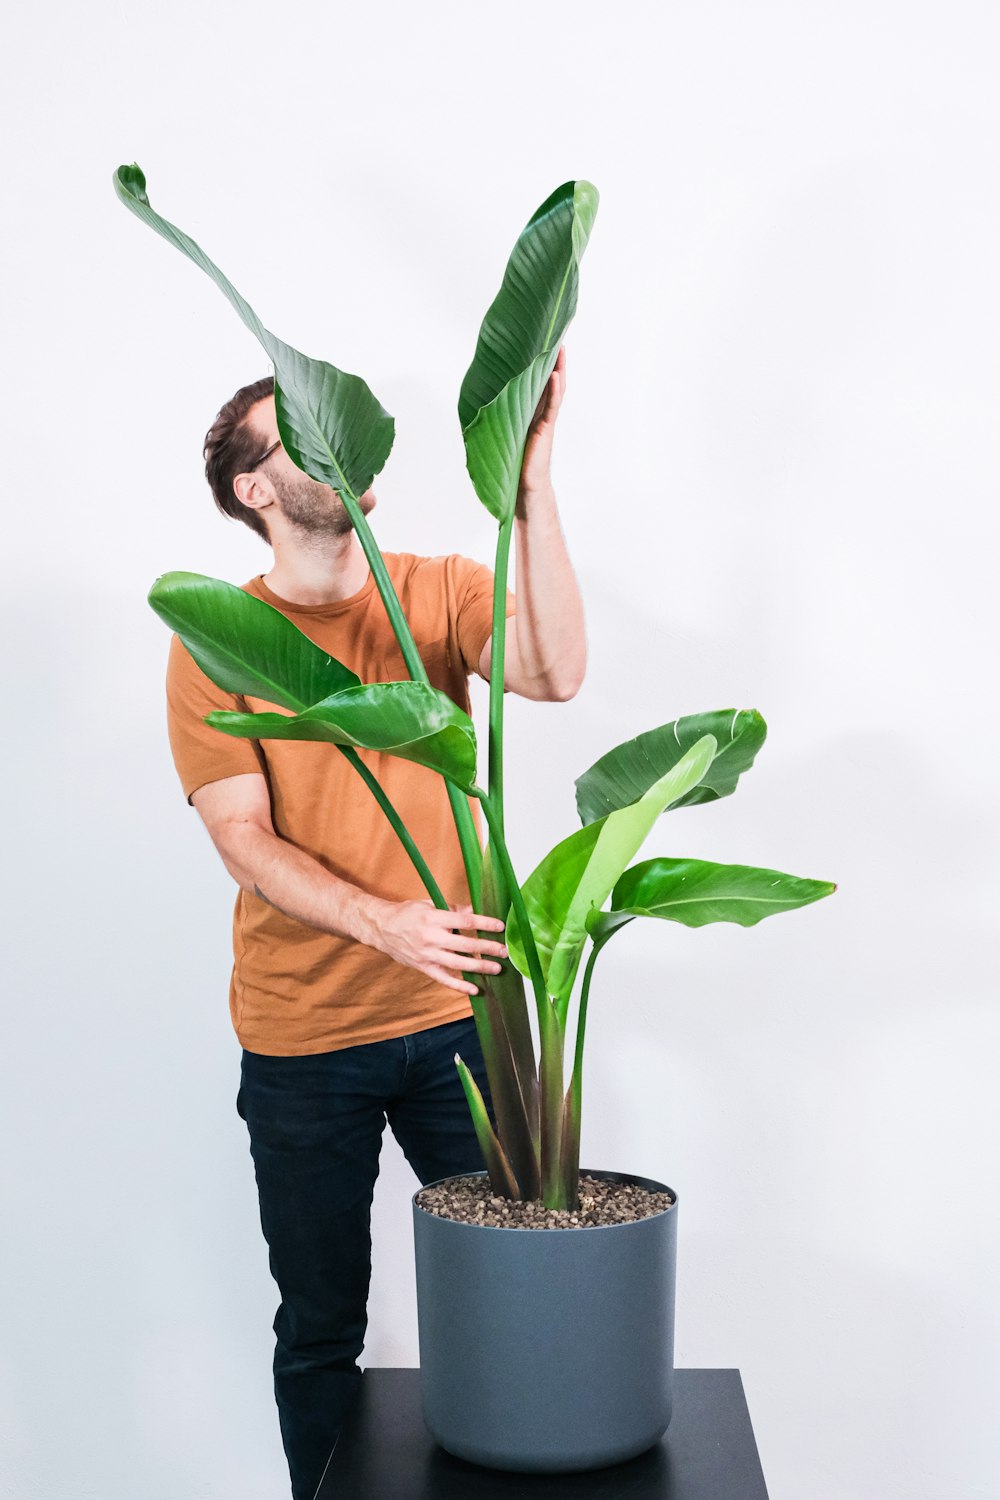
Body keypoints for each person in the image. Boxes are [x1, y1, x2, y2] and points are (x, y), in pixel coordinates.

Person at [163, 345, 586, 1499]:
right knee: (319, 1325)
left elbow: (553, 672)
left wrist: (532, 488)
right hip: (305, 1041)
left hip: (459, 1018)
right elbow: (243, 839)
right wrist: (383, 921)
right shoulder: (215, 639)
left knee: (523, 1283)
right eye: (294, 436)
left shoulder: (436, 587)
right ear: (256, 488)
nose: (332, 446)